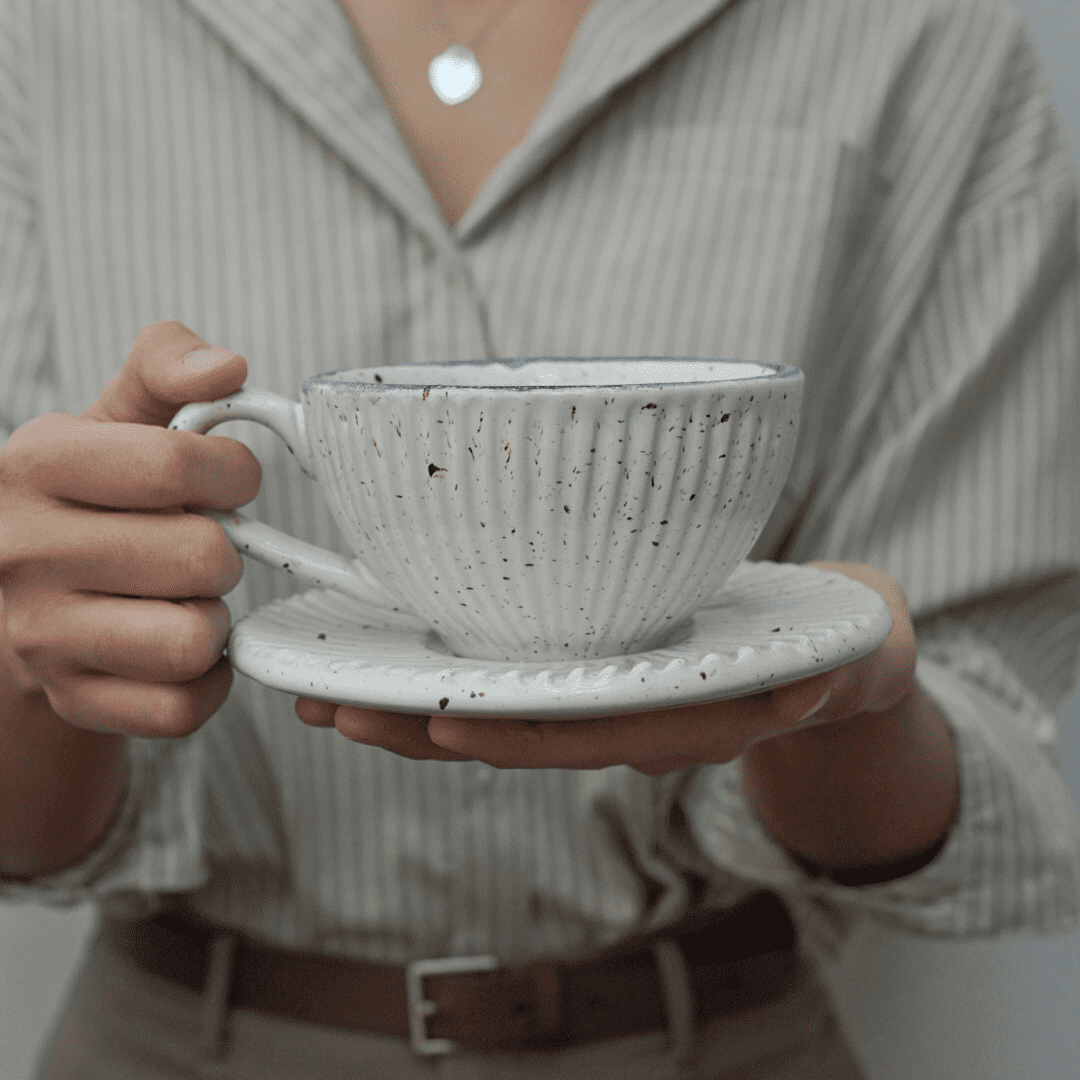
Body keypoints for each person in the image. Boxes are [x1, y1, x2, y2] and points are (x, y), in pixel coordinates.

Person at [1, 0, 1079, 1076]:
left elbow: (982, 741)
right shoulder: (44, 33)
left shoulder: (919, 27)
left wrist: (832, 694)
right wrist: (32, 653)